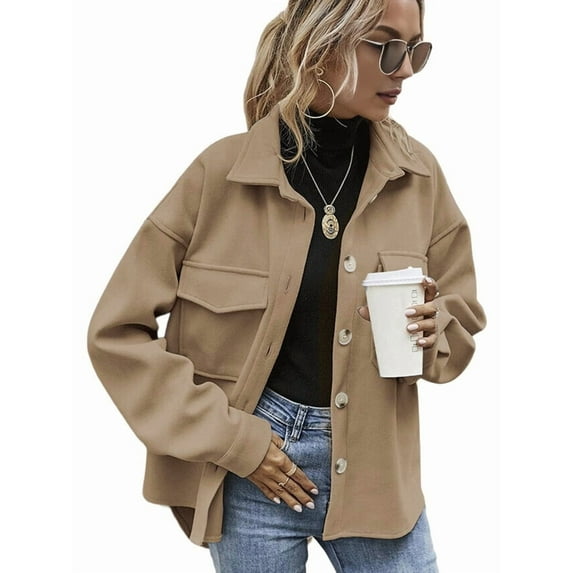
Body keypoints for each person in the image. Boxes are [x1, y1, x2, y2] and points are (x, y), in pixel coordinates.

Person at [87, 0, 486, 571]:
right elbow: (116, 333)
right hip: (251, 471)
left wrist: (436, 326)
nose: (404, 69)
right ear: (324, 44)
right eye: (386, 46)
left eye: (415, 50)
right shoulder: (219, 176)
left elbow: (461, 319)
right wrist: (236, 443)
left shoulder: (418, 179)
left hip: (378, 473)